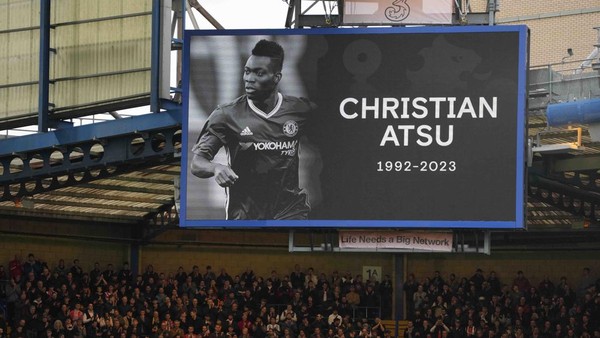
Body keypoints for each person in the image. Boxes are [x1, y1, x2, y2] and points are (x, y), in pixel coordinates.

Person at [191, 39, 320, 220]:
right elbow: (197, 163)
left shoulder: (300, 110)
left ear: (276, 77)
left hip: (291, 215)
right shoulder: (227, 114)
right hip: (246, 218)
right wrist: (215, 168)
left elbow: (332, 141)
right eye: (247, 71)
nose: (249, 78)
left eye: (259, 73)